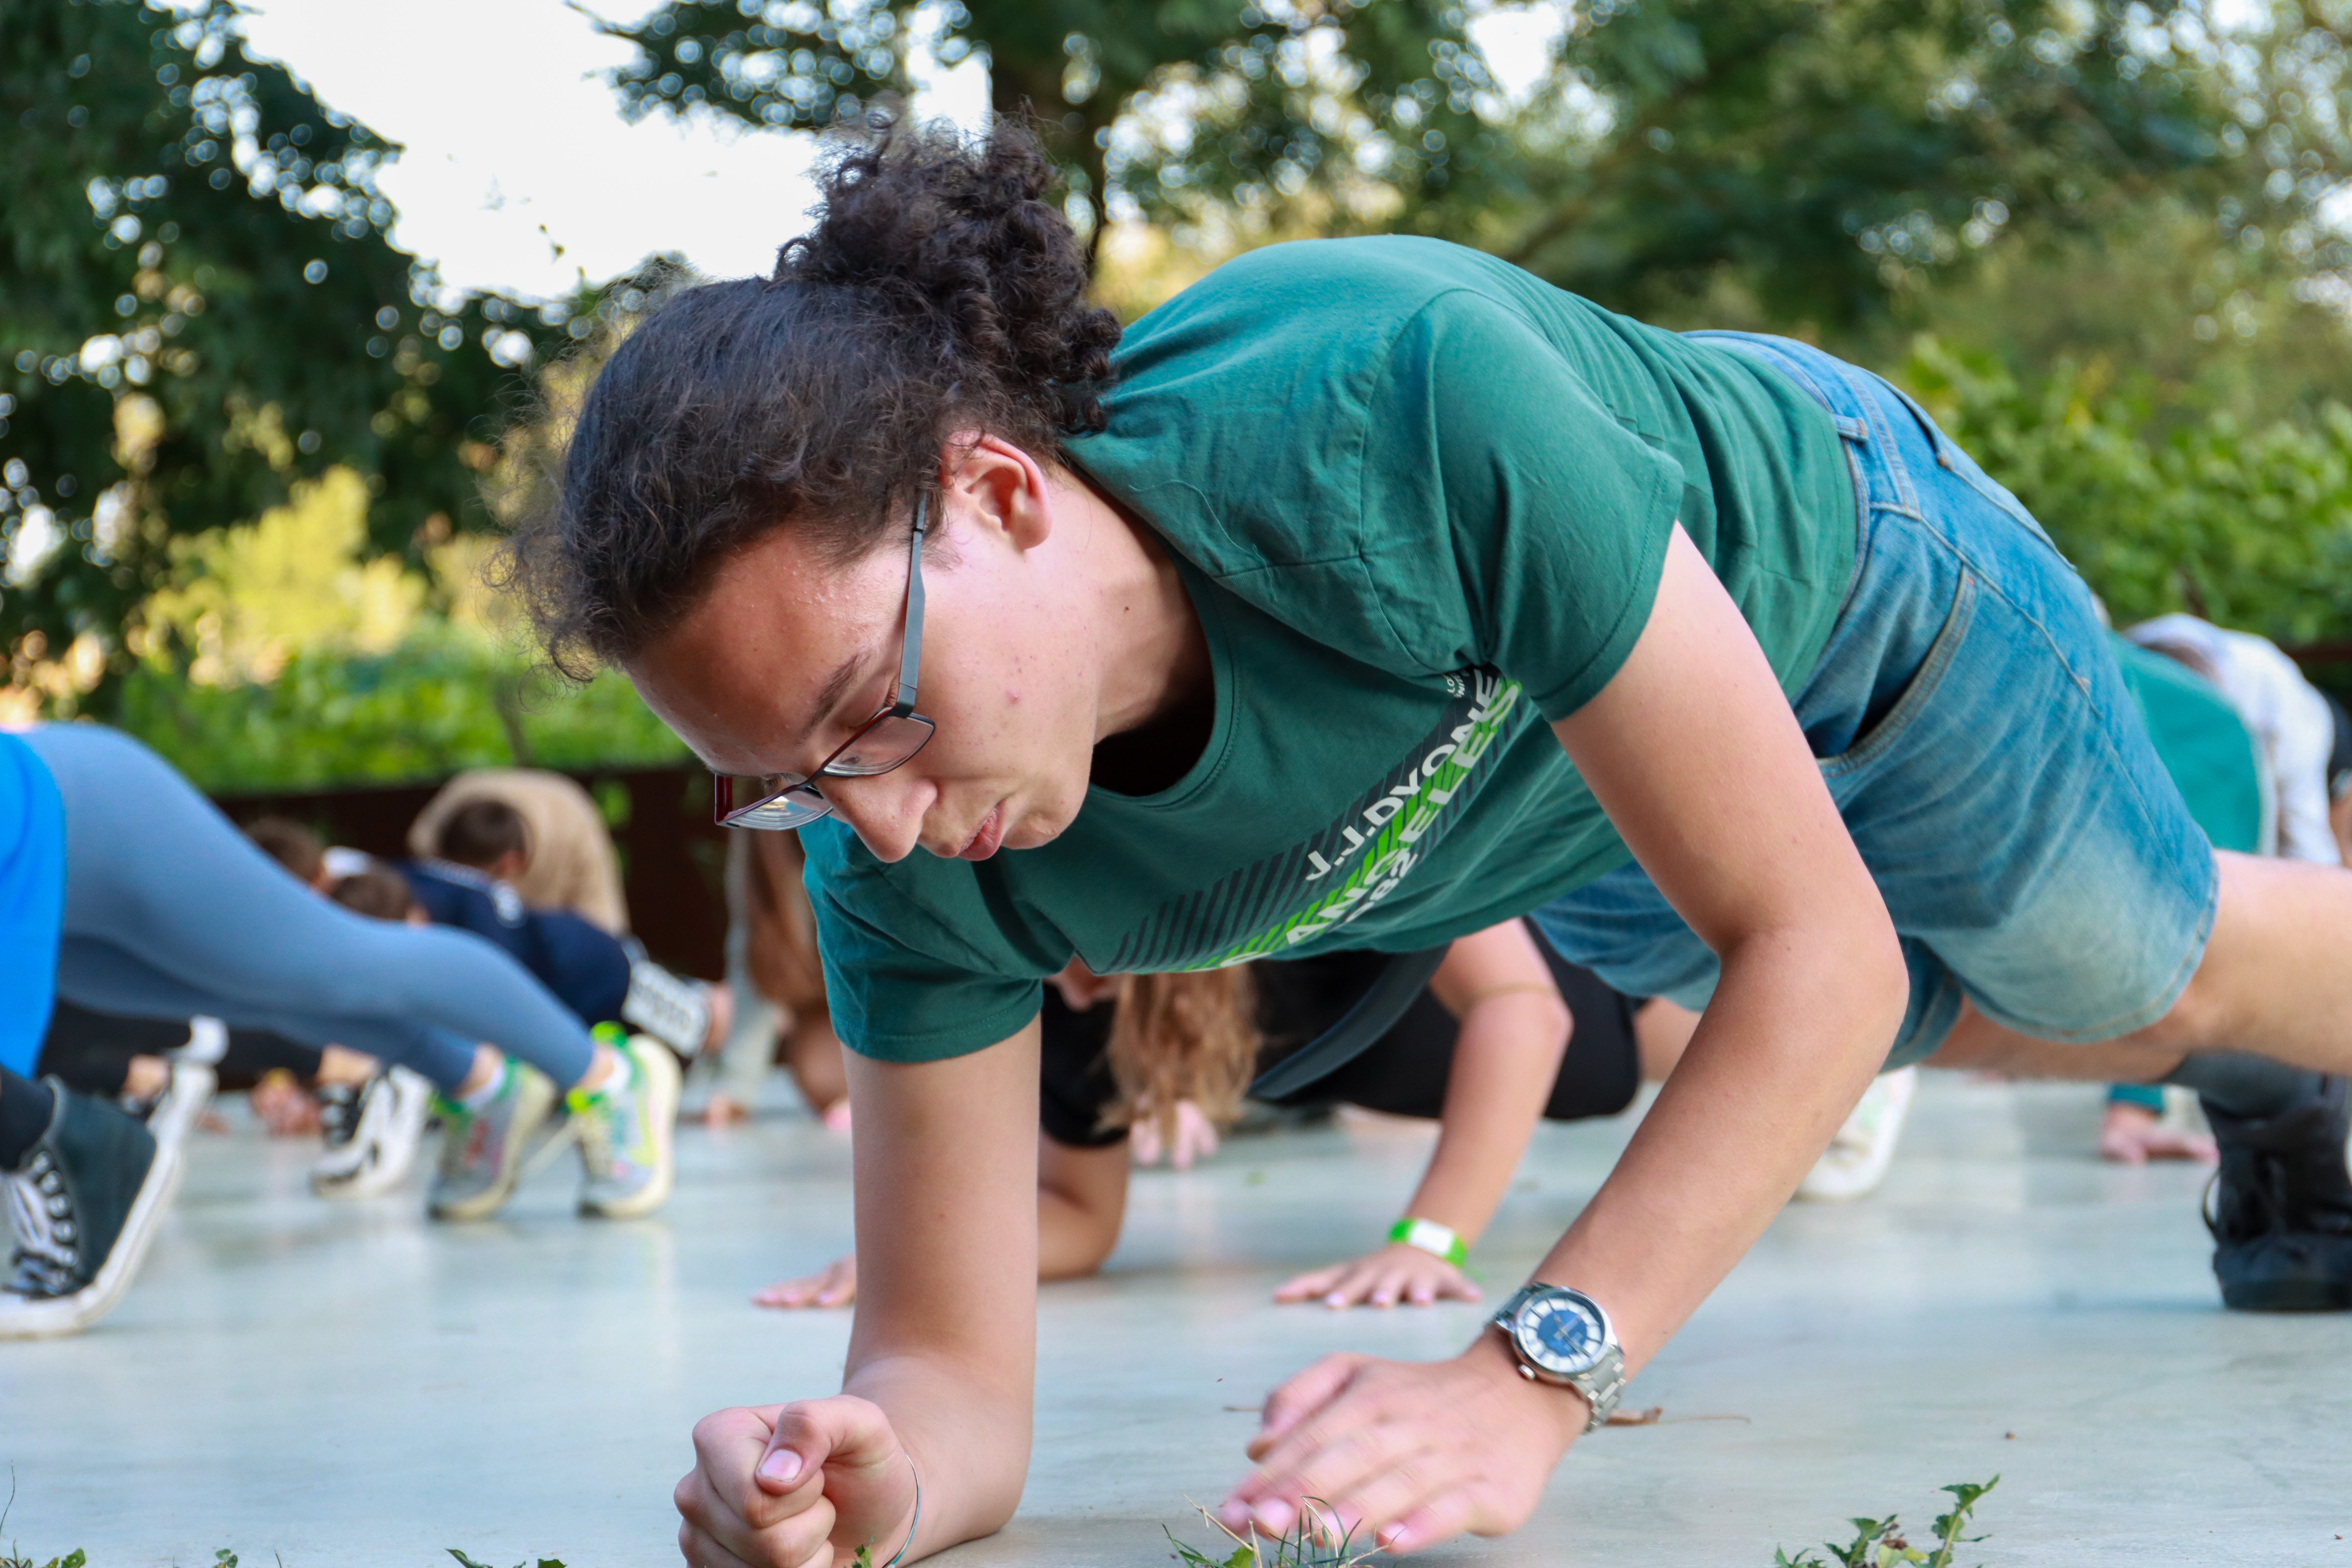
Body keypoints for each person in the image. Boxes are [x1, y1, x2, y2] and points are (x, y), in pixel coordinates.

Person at [508, 123, 2352, 1565]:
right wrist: (876, 1476)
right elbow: (947, 1371)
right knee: (1972, 1026)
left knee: (2131, 964)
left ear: (994, 492)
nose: (877, 822)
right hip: (1556, 811)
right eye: (788, 782)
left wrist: (1528, 1374)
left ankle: (2254, 1034)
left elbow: (1820, 951)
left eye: (873, 710)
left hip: (1847, 597)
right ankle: (2278, 1087)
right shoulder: (893, 853)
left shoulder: (1399, 398)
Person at [1, 723, 681, 1340]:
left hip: (80, 813)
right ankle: (479, 1081)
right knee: (251, 994)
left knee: (342, 960)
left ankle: (609, 1076)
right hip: (54, 853)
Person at [757, 920, 1702, 1310]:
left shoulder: (1289, 849)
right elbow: (1080, 1214)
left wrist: (1429, 1238)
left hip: (1602, 979)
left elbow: (1523, 1007)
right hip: (1547, 1065)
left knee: (1764, 1054)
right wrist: (931, 1254)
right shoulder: (1081, 1022)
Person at [407, 797, 724, 1060]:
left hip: (599, 972)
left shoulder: (418, 879)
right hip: (599, 967)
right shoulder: (479, 899)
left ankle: (714, 1010)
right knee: (699, 1022)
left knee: (700, 1021)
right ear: (511, 862)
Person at [406, 767, 632, 933]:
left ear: (511, 863)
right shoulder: (438, 825)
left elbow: (605, 926)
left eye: (478, 881)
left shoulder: (574, 831)